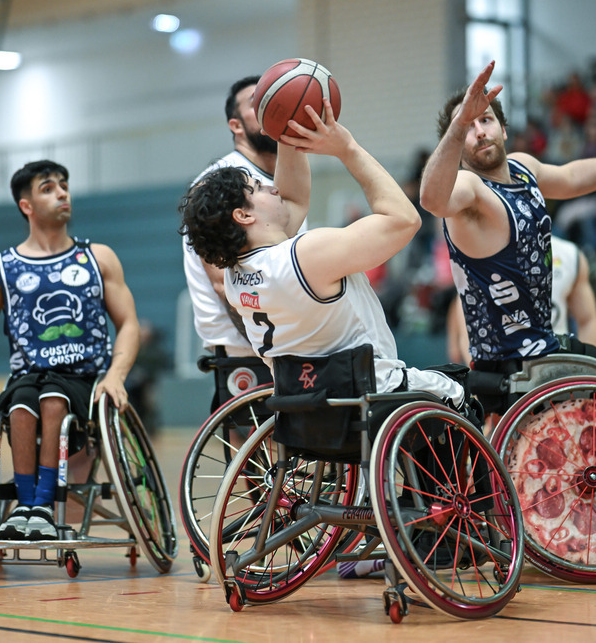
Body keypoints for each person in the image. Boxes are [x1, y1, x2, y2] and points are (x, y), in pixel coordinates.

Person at [179, 98, 472, 579]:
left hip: (308, 408)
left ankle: (399, 523)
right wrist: (347, 148)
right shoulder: (308, 255)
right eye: (257, 187)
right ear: (244, 217)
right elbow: (405, 220)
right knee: (462, 393)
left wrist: (289, 138)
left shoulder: (239, 274)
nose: (270, 186)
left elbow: (290, 205)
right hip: (372, 399)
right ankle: (450, 535)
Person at [421, 61, 596, 409]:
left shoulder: (522, 167)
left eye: (485, 120)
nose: (479, 131)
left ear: (504, 129)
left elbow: (573, 177)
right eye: (466, 127)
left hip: (546, 349)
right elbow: (431, 200)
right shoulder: (468, 189)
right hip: (508, 365)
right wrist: (455, 129)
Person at [0, 160, 141, 541]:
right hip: (28, 376)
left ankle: (43, 506)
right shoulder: (0, 268)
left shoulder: (98, 258)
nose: (62, 193)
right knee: (19, 403)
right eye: (48, 188)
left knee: (53, 399)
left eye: (64, 185)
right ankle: (25, 507)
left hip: (83, 379)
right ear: (26, 205)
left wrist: (116, 375)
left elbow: (129, 323)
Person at [184, 75, 279, 409]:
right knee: (257, 459)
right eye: (256, 101)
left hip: (283, 341)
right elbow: (224, 283)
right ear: (235, 125)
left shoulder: (279, 182)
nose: (267, 106)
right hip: (249, 347)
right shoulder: (220, 183)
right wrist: (265, 347)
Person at [447, 234, 596, 365]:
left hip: (558, 366)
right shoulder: (480, 254)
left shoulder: (569, 255)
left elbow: (587, 320)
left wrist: (591, 377)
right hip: (504, 369)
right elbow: (468, 327)